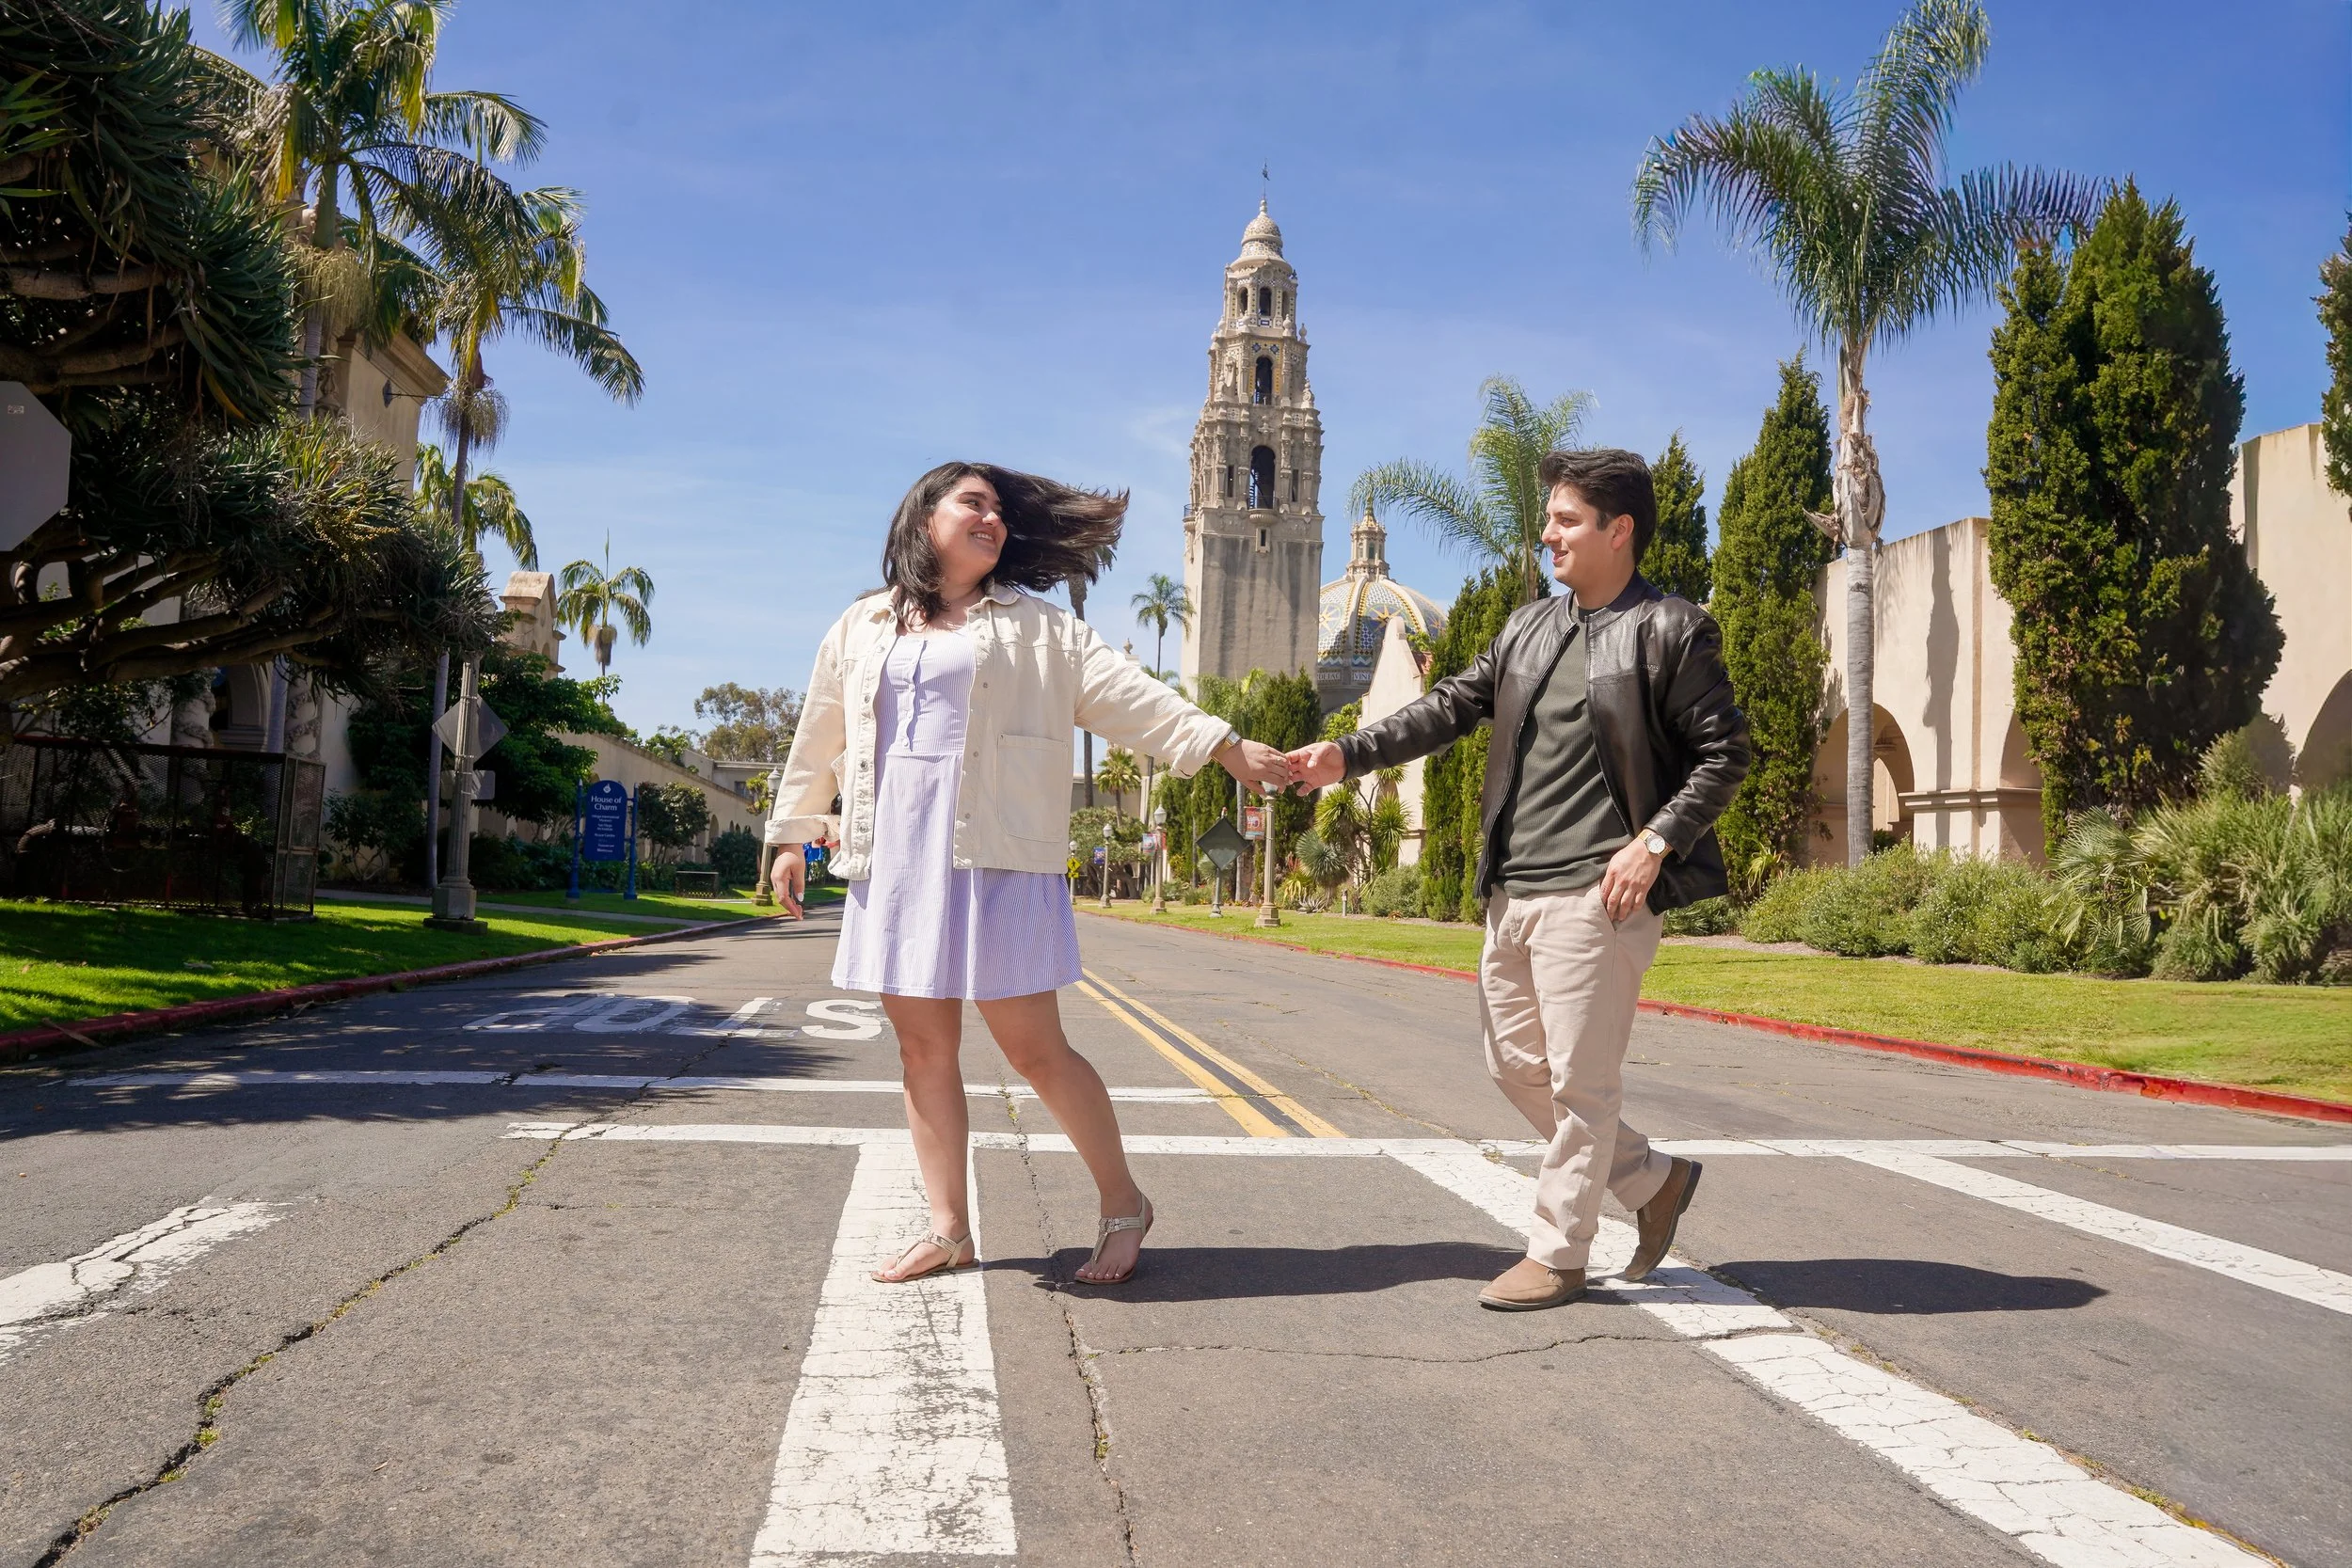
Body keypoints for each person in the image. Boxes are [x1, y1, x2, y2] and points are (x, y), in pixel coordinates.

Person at [767, 462, 1294, 1287]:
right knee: (920, 1050)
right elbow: (821, 732)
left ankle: (1125, 1203)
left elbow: (1133, 696)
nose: (994, 519)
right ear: (923, 516)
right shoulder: (864, 623)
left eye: (1001, 512)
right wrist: (795, 834)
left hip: (1000, 855)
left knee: (1035, 1049)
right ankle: (949, 1229)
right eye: (973, 503)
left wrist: (1225, 745)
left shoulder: (1041, 628)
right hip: (895, 855)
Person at [1288, 448, 1750, 1311]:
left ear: (1621, 530)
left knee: (1582, 1083)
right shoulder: (1528, 627)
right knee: (1512, 1065)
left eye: (1567, 520)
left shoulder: (1671, 628)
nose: (1548, 535)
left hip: (1598, 890)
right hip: (1515, 887)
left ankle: (1559, 1251)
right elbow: (1448, 707)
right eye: (1549, 520)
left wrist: (1653, 841)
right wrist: (1345, 754)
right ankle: (1651, 1182)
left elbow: (1726, 755)